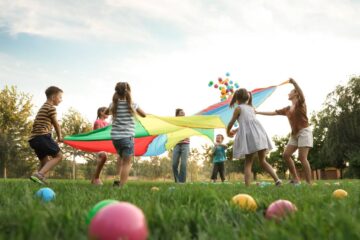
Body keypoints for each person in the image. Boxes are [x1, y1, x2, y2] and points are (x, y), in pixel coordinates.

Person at [256, 78, 313, 184]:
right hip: (294, 134)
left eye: (290, 92)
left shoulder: (300, 103)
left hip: (304, 132)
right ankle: (296, 178)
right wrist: (258, 112)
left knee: (302, 157)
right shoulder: (287, 109)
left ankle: (309, 183)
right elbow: (273, 113)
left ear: (295, 94)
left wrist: (294, 83)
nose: (288, 93)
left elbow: (301, 94)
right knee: (286, 155)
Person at [227, 88, 282, 186]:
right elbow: (248, 123)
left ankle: (247, 187)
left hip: (250, 138)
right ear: (247, 98)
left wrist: (228, 132)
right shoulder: (252, 108)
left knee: (248, 162)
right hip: (260, 135)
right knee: (263, 161)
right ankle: (277, 180)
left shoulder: (238, 108)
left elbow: (232, 122)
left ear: (237, 99)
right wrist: (236, 130)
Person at [108, 82, 146, 187]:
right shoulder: (132, 104)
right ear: (128, 91)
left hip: (115, 139)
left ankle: (118, 182)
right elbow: (144, 115)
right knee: (126, 163)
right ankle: (121, 186)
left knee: (121, 160)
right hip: (127, 138)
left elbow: (107, 112)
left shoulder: (113, 105)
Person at [29, 86, 64, 184]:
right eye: (60, 97)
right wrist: (60, 137)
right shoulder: (51, 108)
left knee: (45, 162)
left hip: (34, 139)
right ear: (53, 97)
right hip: (42, 137)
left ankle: (39, 180)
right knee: (59, 156)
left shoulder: (43, 107)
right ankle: (39, 175)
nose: (61, 100)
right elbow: (56, 124)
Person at [91, 107, 109, 185]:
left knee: (101, 161)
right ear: (101, 112)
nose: (108, 113)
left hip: (105, 145)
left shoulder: (108, 123)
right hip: (98, 145)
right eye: (106, 111)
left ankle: (94, 179)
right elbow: (97, 134)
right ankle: (96, 178)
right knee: (104, 157)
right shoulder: (97, 122)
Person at [172, 108, 190, 183]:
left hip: (185, 144)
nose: (183, 113)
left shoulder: (188, 121)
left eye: (184, 112)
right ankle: (177, 181)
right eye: (181, 112)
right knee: (174, 164)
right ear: (177, 115)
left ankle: (182, 182)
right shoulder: (174, 123)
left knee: (183, 164)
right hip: (176, 144)